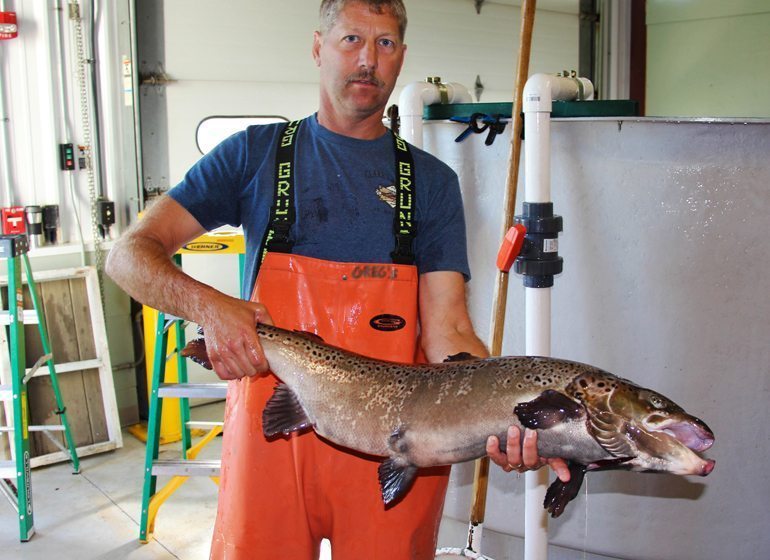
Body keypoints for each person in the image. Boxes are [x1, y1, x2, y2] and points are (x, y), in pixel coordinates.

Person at [106, 1, 569, 558]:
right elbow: (129, 256)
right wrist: (211, 308)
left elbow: (447, 330)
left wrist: (504, 412)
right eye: (351, 40)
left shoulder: (433, 183)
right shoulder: (255, 156)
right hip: (273, 431)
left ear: (402, 57)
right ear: (318, 46)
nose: (368, 60)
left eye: (386, 44)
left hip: (396, 444)